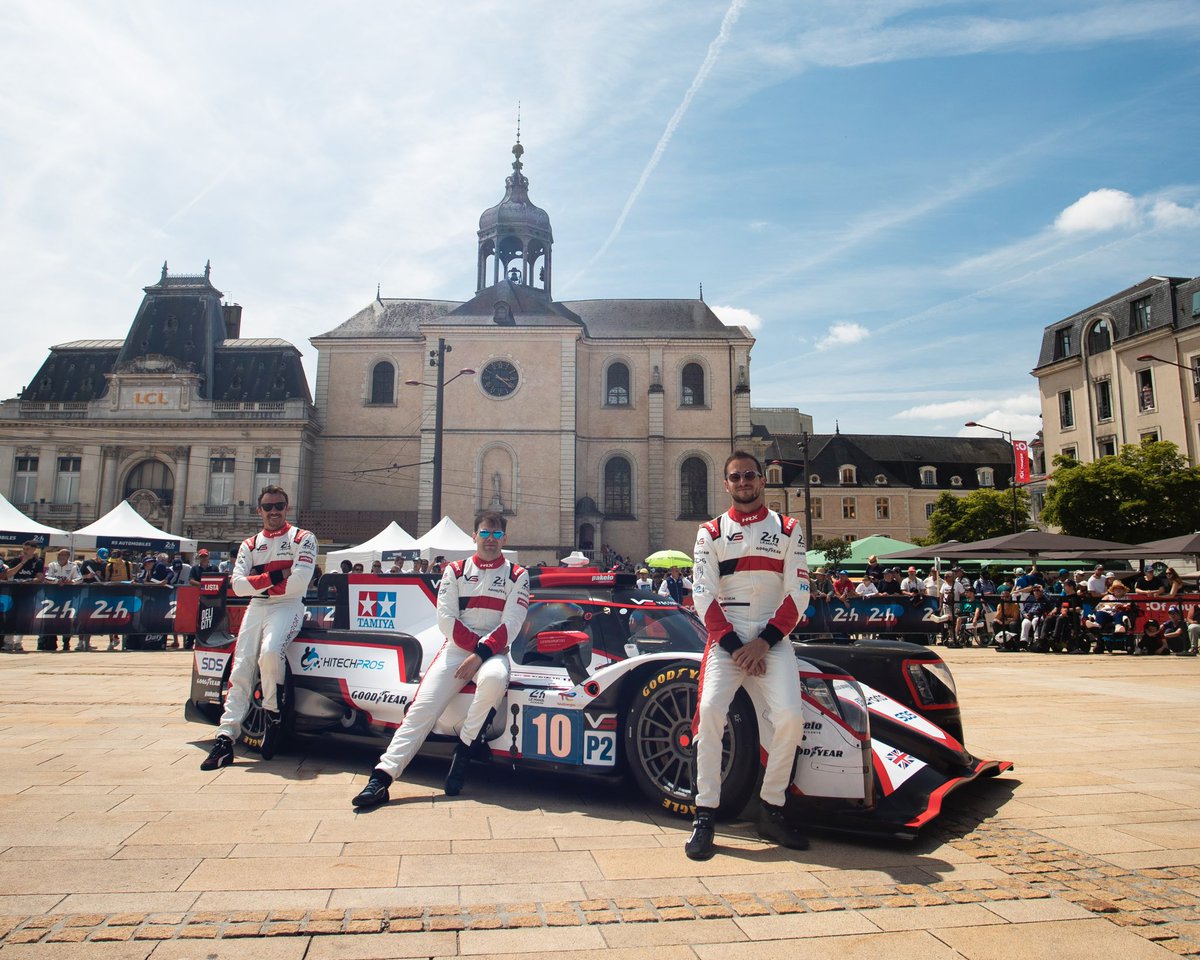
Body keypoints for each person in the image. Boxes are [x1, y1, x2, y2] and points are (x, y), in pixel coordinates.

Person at [352, 512, 529, 807]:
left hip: (494, 653)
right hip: (457, 651)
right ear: (474, 536)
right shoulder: (455, 570)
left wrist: (481, 655)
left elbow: (511, 624)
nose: (490, 540)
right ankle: (381, 778)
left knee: (495, 679)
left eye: (497, 535)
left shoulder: (517, 574)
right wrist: (474, 653)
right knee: (422, 710)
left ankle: (465, 750)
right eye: (485, 533)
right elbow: (446, 620)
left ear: (505, 540)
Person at [686, 451, 810, 860]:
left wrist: (765, 641)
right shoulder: (711, 531)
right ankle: (705, 814)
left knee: (791, 716)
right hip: (728, 641)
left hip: (772, 638)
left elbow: (800, 593)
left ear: (762, 480)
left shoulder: (790, 528)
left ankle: (772, 807)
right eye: (735, 477)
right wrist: (737, 646)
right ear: (726, 484)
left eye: (750, 475)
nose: (743, 482)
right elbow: (702, 595)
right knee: (708, 713)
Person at [200, 486, 317, 770]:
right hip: (257, 606)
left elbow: (300, 582)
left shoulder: (304, 538)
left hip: (289, 606)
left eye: (279, 505)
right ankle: (226, 736)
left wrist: (260, 580)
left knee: (269, 652)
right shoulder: (249, 544)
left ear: (287, 508)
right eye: (268, 507)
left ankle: (273, 715)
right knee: (241, 666)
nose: (273, 511)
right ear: (259, 510)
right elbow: (237, 586)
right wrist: (279, 573)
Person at [2, 540, 44, 653]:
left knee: (24, 617)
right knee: (10, 616)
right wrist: (22, 563)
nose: (25, 551)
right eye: (24, 549)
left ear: (34, 550)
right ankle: (8, 642)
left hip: (29, 592)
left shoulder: (38, 562)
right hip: (14, 591)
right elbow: (9, 574)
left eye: (28, 549)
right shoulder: (16, 560)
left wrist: (30, 580)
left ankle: (18, 642)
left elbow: (39, 577)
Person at [44, 548, 81, 651]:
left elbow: (80, 578)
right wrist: (57, 581)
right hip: (53, 596)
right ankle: (51, 642)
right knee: (51, 619)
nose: (61, 557)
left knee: (66, 620)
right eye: (60, 554)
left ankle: (66, 642)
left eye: (64, 555)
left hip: (67, 596)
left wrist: (71, 581)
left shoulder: (73, 566)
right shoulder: (52, 565)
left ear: (68, 556)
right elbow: (47, 577)